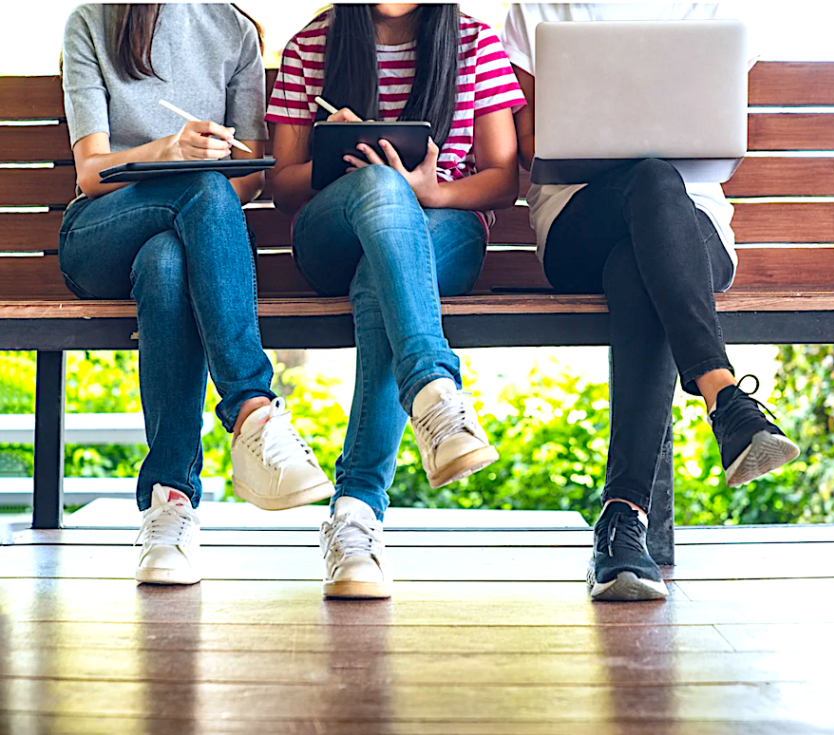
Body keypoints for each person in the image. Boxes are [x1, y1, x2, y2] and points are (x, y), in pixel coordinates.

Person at [502, 4, 800, 601]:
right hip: (577, 220)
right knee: (652, 177)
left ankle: (621, 525)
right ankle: (725, 399)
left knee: (641, 251)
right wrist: (604, 147)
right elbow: (527, 145)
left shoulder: (716, 7)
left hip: (691, 231)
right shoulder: (539, 6)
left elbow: (725, 127)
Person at [59, 4, 335, 586]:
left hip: (186, 237)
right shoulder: (92, 21)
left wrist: (207, 172)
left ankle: (169, 503)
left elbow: (251, 175)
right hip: (101, 233)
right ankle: (253, 410)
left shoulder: (234, 30)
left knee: (166, 264)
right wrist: (168, 152)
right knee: (203, 190)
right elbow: (90, 172)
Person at [268, 3, 526, 599]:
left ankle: (355, 516)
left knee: (381, 278)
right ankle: (432, 392)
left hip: (443, 228)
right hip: (331, 237)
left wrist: (431, 191)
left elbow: (502, 177)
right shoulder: (311, 46)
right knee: (382, 195)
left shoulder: (475, 43)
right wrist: (347, 164)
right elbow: (280, 184)